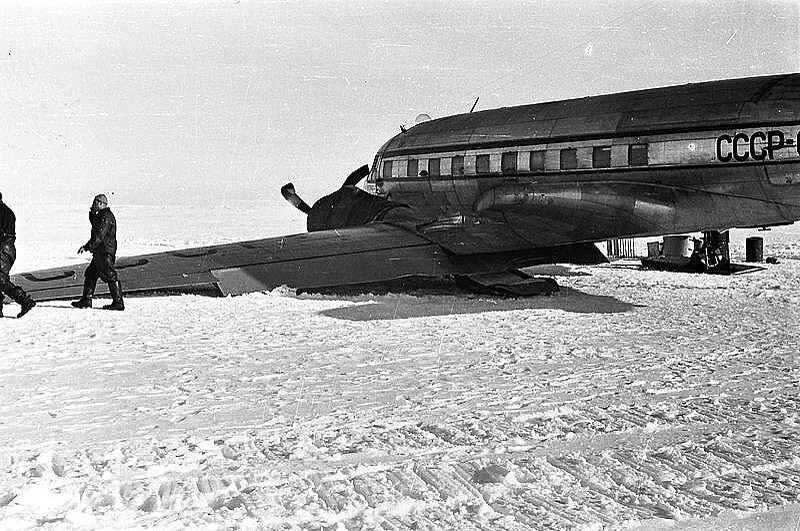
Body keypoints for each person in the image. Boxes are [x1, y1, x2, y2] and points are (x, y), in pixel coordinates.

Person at [71, 194, 125, 311]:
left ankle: (118, 302)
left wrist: (87, 247)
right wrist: (92, 214)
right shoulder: (102, 215)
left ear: (101, 203)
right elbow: (96, 225)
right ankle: (86, 300)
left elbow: (99, 235)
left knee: (110, 275)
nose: (93, 204)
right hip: (101, 251)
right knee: (91, 274)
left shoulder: (105, 216)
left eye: (95, 202)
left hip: (104, 251)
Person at [0, 192, 36, 318]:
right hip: (8, 249)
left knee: (1, 280)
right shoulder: (7, 211)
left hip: (2, 249)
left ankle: (25, 301)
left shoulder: (2, 212)